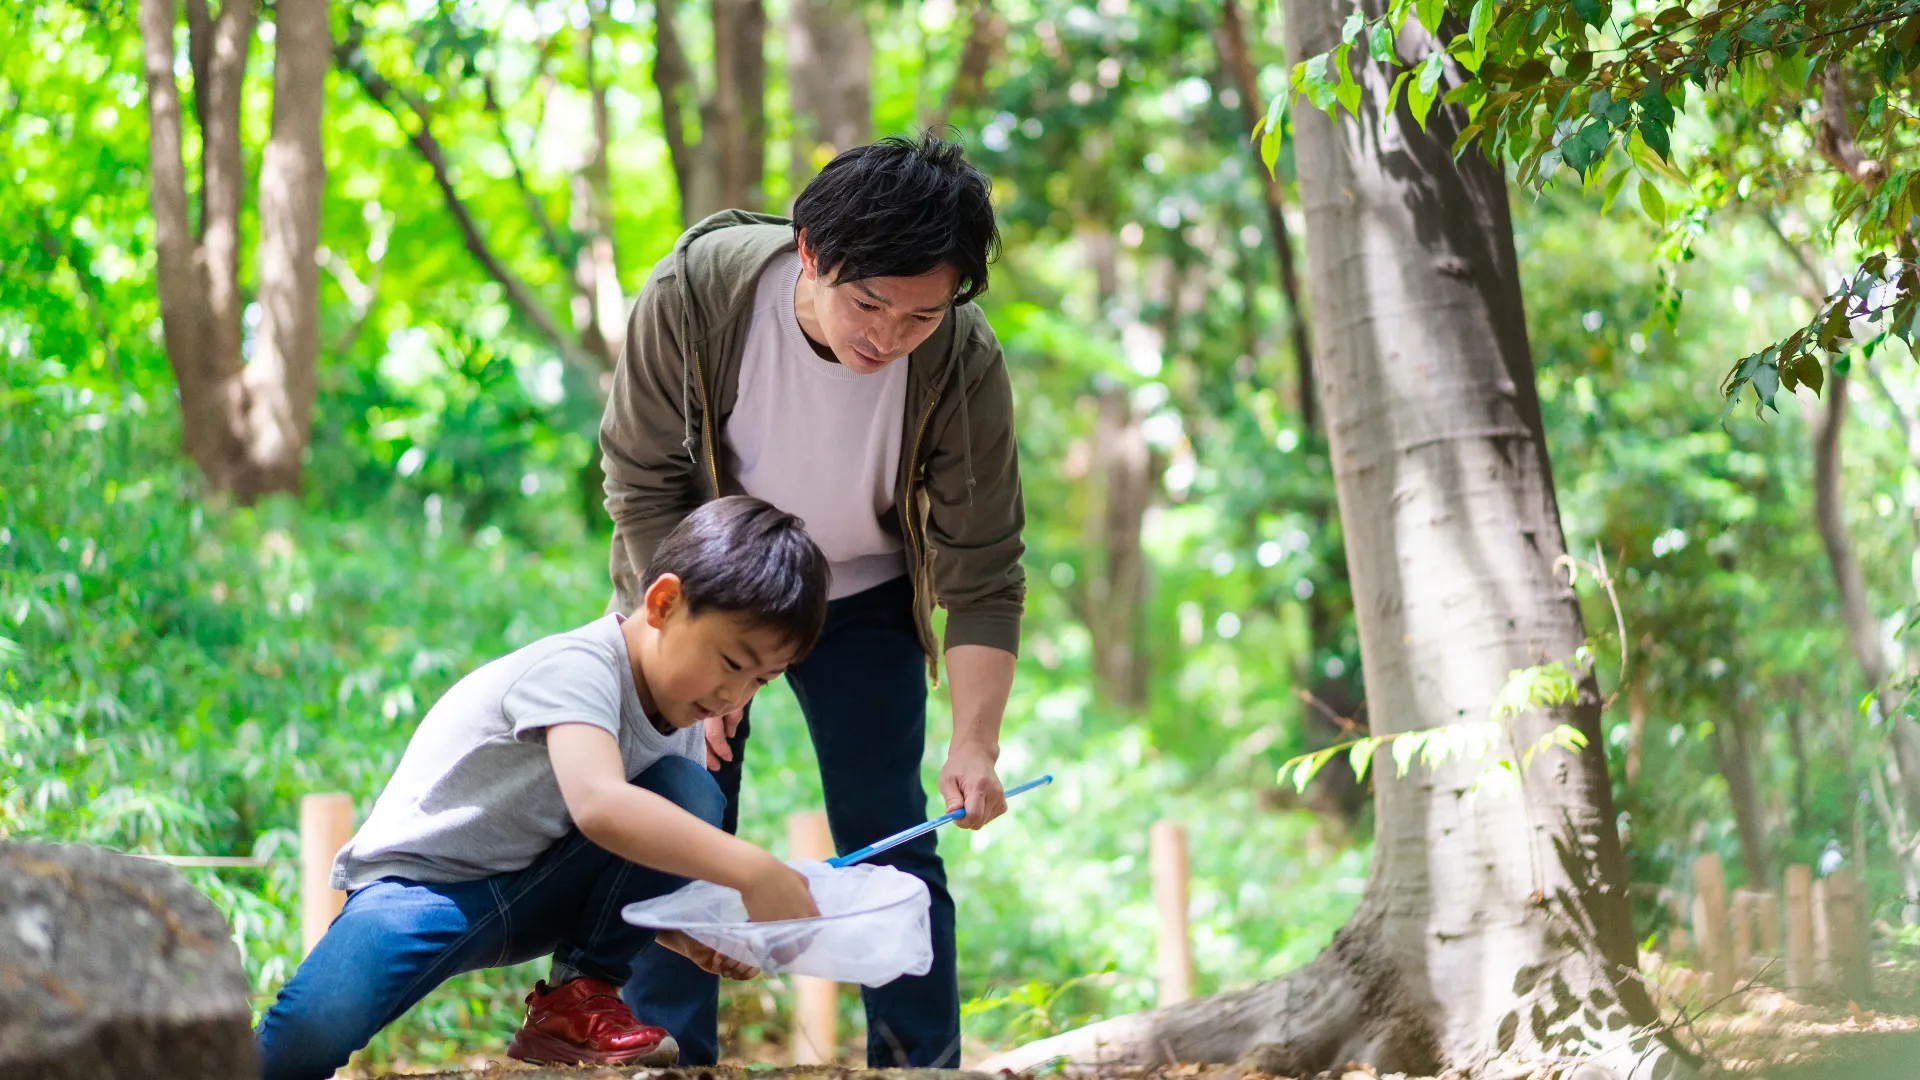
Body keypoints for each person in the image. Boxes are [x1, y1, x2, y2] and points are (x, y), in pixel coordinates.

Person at [600, 132, 1026, 1068]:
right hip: (706, 585)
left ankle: (918, 1063)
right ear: (808, 250)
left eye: (920, 315)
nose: (887, 335)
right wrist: (701, 654)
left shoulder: (960, 356)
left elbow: (983, 566)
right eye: (867, 302)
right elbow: (640, 482)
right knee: (677, 816)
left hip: (865, 594)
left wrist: (975, 740)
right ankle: (664, 1053)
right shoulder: (700, 290)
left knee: (892, 838)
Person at [253, 497, 830, 1080]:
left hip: (531, 892)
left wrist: (688, 936)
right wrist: (756, 870)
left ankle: (574, 1002)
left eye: (761, 680)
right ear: (663, 602)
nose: (736, 697)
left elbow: (615, 865)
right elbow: (600, 806)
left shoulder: (677, 724)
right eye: (732, 662)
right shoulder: (580, 668)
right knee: (304, 1038)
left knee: (691, 794)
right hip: (419, 891)